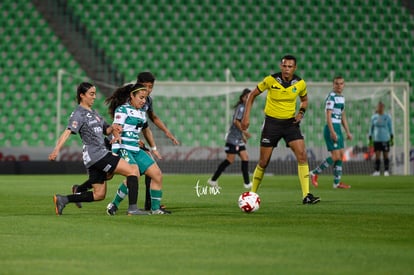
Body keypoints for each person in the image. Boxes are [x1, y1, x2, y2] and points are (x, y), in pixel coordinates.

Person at [49, 82, 140, 215]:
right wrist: (56, 149)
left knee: (99, 195)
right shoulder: (78, 114)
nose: (94, 97)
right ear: (82, 95)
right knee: (133, 171)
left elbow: (107, 130)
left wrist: (114, 128)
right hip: (97, 155)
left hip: (94, 158)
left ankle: (63, 199)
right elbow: (68, 131)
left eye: (95, 94)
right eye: (91, 94)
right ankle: (133, 209)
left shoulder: (94, 113)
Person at [241, 55, 320, 205]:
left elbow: (304, 100)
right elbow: (252, 95)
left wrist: (301, 113)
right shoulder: (271, 80)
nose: (286, 69)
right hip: (271, 124)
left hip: (290, 124)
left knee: (302, 155)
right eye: (284, 66)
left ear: (294, 68)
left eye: (290, 66)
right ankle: (252, 194)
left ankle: (306, 195)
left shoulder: (300, 84)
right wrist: (246, 117)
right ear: (280, 66)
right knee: (264, 162)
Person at [105, 83, 170, 215]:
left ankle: (155, 209)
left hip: (135, 148)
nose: (143, 101)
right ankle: (120, 206)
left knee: (157, 174)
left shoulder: (141, 113)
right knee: (133, 174)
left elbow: (140, 130)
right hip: (123, 147)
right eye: (141, 97)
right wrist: (117, 136)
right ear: (132, 96)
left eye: (145, 98)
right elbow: (116, 126)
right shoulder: (122, 109)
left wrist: (149, 146)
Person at [136, 71, 179, 210]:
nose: (148, 90)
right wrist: (132, 138)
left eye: (151, 87)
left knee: (150, 169)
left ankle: (150, 204)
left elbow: (152, 118)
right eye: (145, 86)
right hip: (121, 140)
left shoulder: (147, 100)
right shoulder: (131, 99)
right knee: (108, 174)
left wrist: (168, 133)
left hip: (133, 141)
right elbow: (122, 119)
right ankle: (81, 189)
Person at [309, 76, 352, 189]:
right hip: (331, 127)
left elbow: (343, 116)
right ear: (333, 85)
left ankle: (337, 183)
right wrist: (332, 131)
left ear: (344, 85)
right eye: (337, 83)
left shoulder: (342, 98)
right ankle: (314, 173)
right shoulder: (331, 97)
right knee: (335, 155)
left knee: (341, 155)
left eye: (341, 83)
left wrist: (348, 132)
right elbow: (328, 115)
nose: (339, 86)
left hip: (338, 127)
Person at [207, 88, 252, 189]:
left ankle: (247, 183)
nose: (248, 98)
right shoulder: (241, 108)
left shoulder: (245, 108)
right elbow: (236, 121)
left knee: (245, 157)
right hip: (233, 139)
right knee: (230, 160)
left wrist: (242, 136)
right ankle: (213, 179)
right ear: (242, 98)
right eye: (246, 96)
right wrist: (245, 132)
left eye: (250, 96)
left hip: (238, 139)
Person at [369, 101, 393, 176]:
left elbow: (390, 127)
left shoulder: (387, 117)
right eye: (379, 107)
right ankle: (377, 171)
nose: (380, 108)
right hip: (376, 139)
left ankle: (386, 171)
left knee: (386, 155)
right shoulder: (374, 117)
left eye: (381, 106)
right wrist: (370, 137)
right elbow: (371, 128)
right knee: (377, 155)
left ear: (383, 107)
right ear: (377, 107)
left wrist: (392, 137)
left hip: (385, 139)